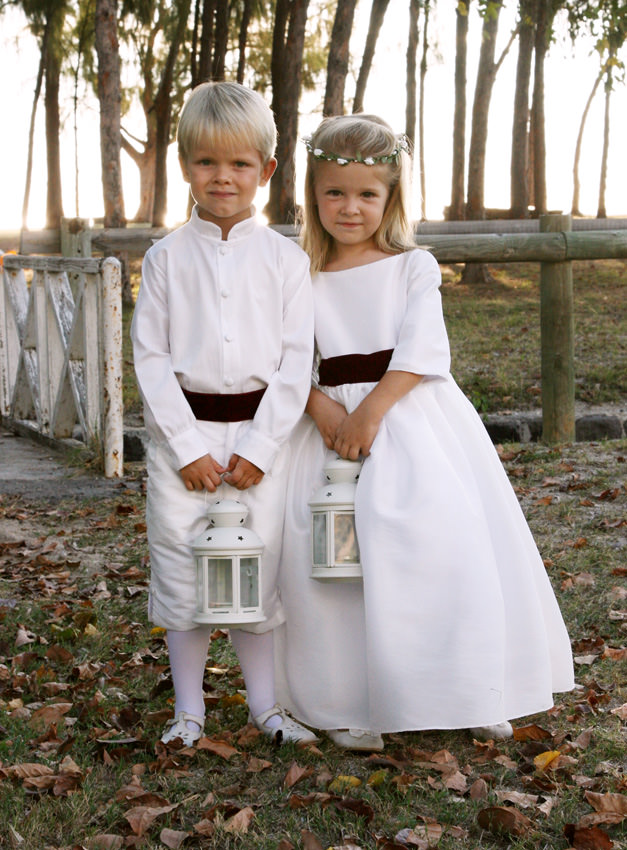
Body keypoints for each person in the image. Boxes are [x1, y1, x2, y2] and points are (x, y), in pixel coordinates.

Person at [274, 114, 574, 751]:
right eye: (334, 192)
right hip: (326, 428)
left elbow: (420, 349)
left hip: (407, 416)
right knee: (333, 565)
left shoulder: (412, 267)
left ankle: (470, 687)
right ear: (313, 194)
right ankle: (344, 698)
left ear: (389, 197)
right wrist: (324, 410)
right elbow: (284, 357)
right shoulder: (298, 274)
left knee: (442, 550)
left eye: (366, 194)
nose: (349, 207)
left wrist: (370, 413)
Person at [131, 81, 318, 747]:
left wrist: (262, 448)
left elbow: (297, 362)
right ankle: (189, 712)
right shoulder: (163, 259)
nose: (222, 177)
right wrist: (184, 445)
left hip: (259, 442)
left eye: (239, 164)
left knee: (256, 569)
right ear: (184, 165)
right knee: (183, 565)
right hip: (184, 442)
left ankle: (265, 708)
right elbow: (150, 357)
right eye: (207, 162)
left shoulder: (286, 262)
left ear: (265, 171)